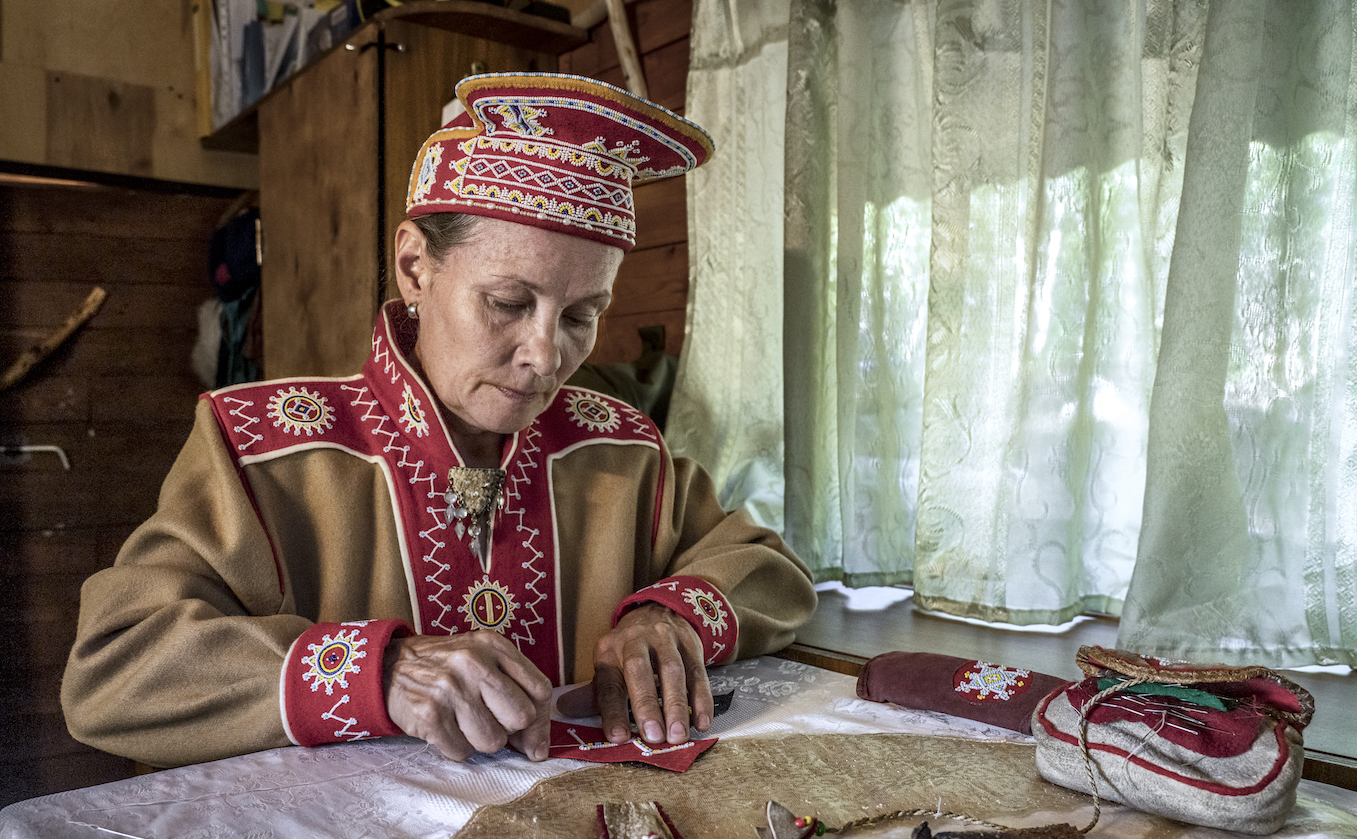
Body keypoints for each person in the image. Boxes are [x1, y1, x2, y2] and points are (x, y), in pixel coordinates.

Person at [62, 73, 816, 769]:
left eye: (582, 315)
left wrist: (670, 615)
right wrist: (377, 671)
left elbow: (769, 569)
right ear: (414, 266)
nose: (546, 355)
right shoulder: (262, 448)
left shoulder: (619, 450)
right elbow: (115, 666)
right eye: (508, 303)